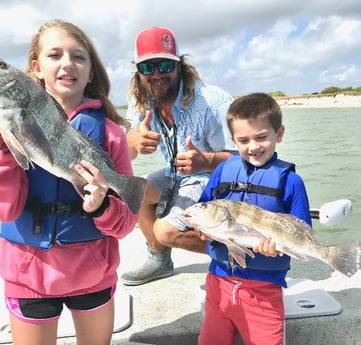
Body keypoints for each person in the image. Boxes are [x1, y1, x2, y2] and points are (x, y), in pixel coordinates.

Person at [0, 19, 138, 345]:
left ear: (91, 71)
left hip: (93, 275)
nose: (67, 63)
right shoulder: (8, 128)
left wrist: (103, 205)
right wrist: (5, 152)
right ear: (36, 67)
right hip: (28, 275)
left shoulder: (110, 133)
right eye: (54, 55)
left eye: (78, 56)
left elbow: (125, 223)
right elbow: (6, 210)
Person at [121, 26, 237, 286]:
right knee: (132, 190)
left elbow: (246, 162)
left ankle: (237, 256)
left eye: (165, 65)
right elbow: (123, 155)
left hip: (215, 178)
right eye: (148, 68)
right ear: (138, 72)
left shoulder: (213, 103)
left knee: (166, 230)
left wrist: (205, 161)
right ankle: (159, 260)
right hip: (175, 174)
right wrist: (132, 140)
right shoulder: (138, 100)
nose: (157, 74)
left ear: (180, 66)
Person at [195, 93, 312, 345]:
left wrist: (276, 250)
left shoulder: (291, 181)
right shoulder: (223, 170)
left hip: (264, 291)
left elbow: (303, 231)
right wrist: (201, 228)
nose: (253, 146)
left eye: (261, 137)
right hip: (218, 281)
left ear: (278, 134)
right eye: (243, 140)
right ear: (233, 141)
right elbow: (204, 206)